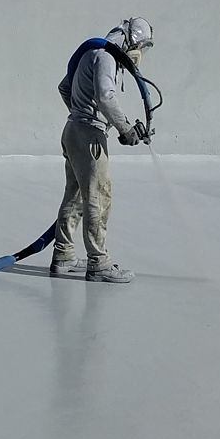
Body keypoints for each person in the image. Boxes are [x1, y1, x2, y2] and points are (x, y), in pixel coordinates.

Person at [53, 16, 154, 283]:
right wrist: (123, 128)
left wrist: (81, 114)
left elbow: (64, 87)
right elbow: (105, 96)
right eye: (141, 47)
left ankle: (63, 255)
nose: (141, 54)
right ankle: (99, 263)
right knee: (99, 196)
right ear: (131, 41)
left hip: (73, 130)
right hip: (88, 137)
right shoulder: (106, 57)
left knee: (75, 195)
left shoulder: (92, 54)